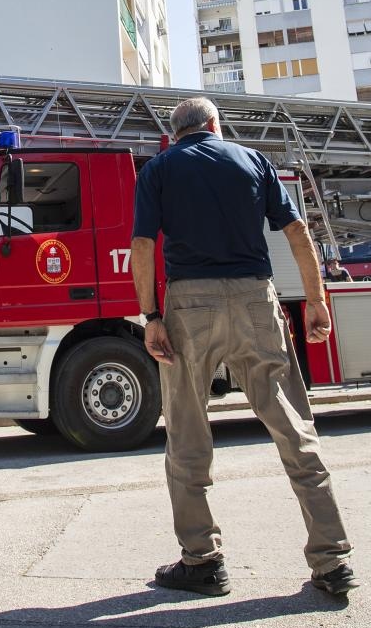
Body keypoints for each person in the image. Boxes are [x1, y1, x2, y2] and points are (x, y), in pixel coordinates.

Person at [133, 96, 356, 599]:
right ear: (215, 125)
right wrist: (316, 300)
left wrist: (151, 317)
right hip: (258, 298)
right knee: (294, 430)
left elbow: (143, 245)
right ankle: (332, 560)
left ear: (174, 135)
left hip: (190, 307)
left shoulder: (160, 169)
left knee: (187, 433)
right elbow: (297, 231)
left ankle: (203, 561)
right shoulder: (253, 160)